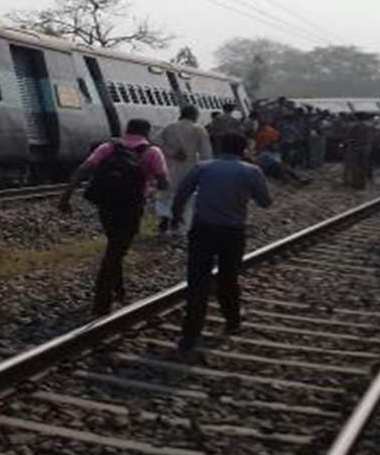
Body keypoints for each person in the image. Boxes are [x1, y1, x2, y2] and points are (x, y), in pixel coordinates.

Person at [172, 132, 273, 353]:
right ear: (243, 149)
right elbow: (266, 202)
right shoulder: (251, 171)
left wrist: (176, 214)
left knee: (197, 282)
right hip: (232, 233)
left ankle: (190, 335)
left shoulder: (203, 167)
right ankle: (232, 320)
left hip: (202, 230)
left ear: (220, 146)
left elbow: (182, 192)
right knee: (229, 278)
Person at [59, 118, 168, 316]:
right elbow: (163, 183)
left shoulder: (107, 147)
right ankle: (102, 301)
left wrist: (66, 196)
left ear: (127, 130)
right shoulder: (152, 151)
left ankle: (119, 291)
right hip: (132, 206)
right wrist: (152, 185)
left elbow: (83, 170)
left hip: (106, 205)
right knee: (115, 251)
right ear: (147, 132)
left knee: (114, 243)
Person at [156, 105, 212, 234]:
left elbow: (155, 141)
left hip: (170, 165)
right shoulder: (198, 129)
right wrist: (207, 169)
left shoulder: (170, 127)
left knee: (166, 193)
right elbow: (206, 153)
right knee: (187, 196)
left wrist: (172, 152)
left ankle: (165, 219)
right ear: (194, 115)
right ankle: (179, 225)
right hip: (190, 167)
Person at [343, 113, 373, 189]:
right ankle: (362, 183)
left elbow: (349, 138)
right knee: (363, 166)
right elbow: (371, 138)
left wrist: (349, 143)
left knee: (355, 166)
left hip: (355, 149)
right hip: (365, 148)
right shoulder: (368, 127)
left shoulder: (355, 127)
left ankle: (356, 182)